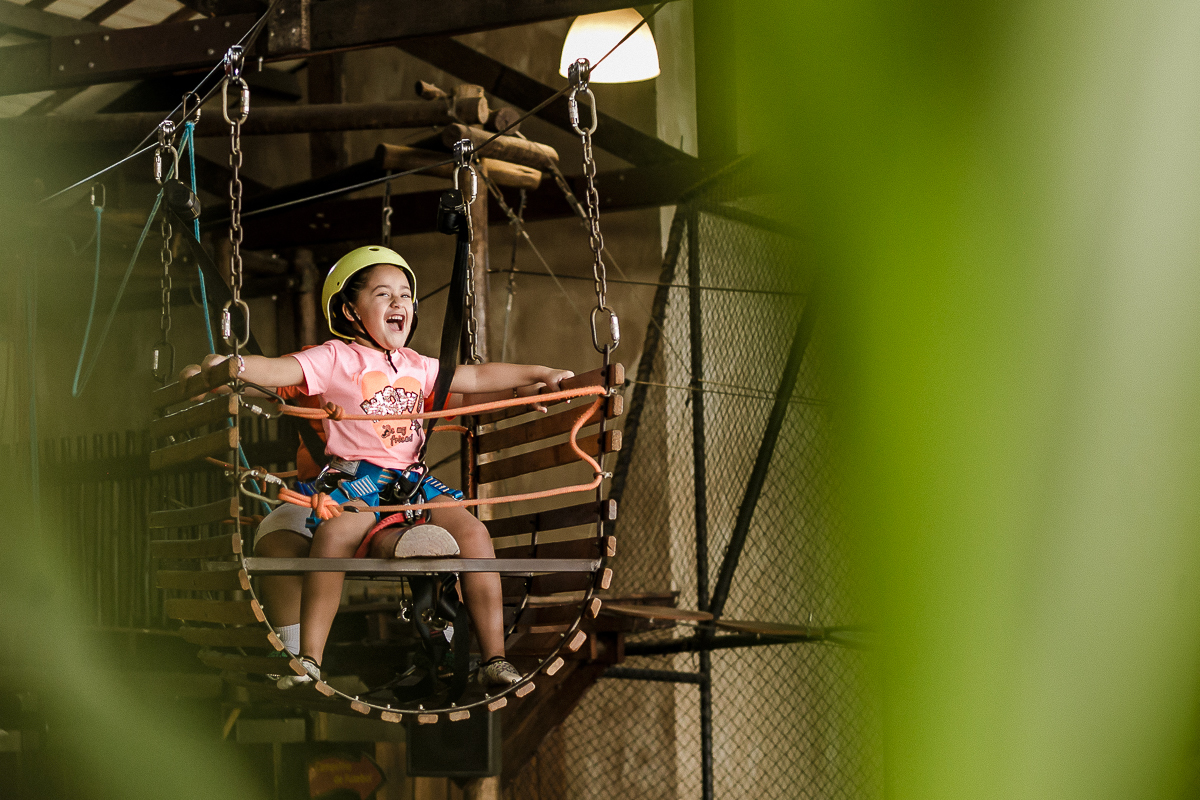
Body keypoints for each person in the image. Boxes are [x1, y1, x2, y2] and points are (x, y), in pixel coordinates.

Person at [195, 245, 573, 689]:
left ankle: (493, 657)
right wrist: (233, 365)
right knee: (334, 535)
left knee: (475, 534)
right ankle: (310, 658)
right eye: (383, 294)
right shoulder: (335, 358)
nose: (399, 303)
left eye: (406, 295)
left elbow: (475, 376)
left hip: (412, 482)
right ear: (350, 309)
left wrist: (541, 372)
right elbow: (280, 370)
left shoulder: (416, 364)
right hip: (357, 479)